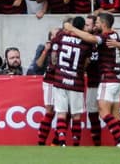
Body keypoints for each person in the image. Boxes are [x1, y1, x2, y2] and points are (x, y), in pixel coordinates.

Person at [64, 12, 120, 147]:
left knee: (103, 111)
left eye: (97, 23)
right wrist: (119, 45)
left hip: (107, 79)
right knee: (115, 115)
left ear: (103, 24)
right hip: (117, 79)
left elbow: (92, 39)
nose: (95, 25)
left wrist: (72, 29)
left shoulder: (105, 37)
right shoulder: (114, 34)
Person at [49, 16, 92, 147]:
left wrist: (59, 67)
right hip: (76, 81)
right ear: (83, 27)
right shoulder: (86, 42)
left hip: (60, 79)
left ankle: (61, 143)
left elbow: (54, 57)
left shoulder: (61, 36)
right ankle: (75, 144)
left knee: (61, 113)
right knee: (76, 115)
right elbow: (87, 63)